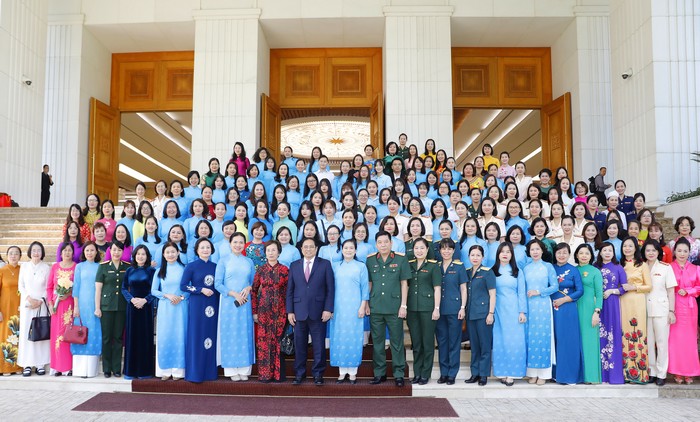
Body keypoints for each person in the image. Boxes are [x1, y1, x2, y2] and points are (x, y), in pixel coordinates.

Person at [286, 237, 335, 385]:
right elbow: (290, 290)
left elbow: (330, 289)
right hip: (298, 311)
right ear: (301, 249)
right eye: (305, 247)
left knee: (318, 345)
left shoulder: (325, 264)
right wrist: (290, 311)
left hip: (319, 312)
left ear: (316, 249)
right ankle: (299, 374)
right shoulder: (294, 265)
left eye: (311, 247)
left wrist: (328, 309)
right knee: (299, 345)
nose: (308, 249)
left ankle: (318, 374)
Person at [365, 231, 410, 387]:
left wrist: (403, 305)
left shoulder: (400, 259)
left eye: (386, 242)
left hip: (394, 308)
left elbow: (404, 283)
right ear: (376, 244)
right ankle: (379, 373)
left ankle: (399, 374)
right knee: (377, 342)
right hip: (376, 307)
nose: (383, 245)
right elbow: (369, 284)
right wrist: (367, 303)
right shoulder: (370, 260)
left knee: (397, 342)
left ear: (391, 243)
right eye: (380, 242)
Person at [215, 232, 256, 381]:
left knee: (245, 332)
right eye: (235, 242)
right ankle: (231, 369)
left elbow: (254, 281)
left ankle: (245, 369)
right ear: (230, 244)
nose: (238, 245)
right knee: (229, 332)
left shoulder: (249, 261)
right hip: (229, 302)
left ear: (244, 244)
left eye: (241, 242)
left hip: (245, 302)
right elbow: (217, 284)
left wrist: (249, 288)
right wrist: (233, 293)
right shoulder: (223, 261)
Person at [330, 239, 369, 384]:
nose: (348, 250)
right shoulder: (335, 266)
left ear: (355, 250)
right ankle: (342, 372)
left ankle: (353, 372)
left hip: (355, 307)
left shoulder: (361, 266)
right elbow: (330, 288)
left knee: (353, 337)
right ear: (342, 250)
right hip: (338, 307)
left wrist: (363, 306)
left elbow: (365, 288)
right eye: (345, 248)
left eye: (351, 248)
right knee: (339, 337)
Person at [180, 238, 219, 383]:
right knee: (197, 335)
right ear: (197, 250)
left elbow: (219, 285)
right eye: (202, 247)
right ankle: (195, 373)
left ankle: (209, 372)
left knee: (210, 335)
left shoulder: (216, 266)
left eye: (208, 247)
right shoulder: (191, 266)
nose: (205, 250)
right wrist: (200, 289)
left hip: (213, 304)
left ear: (212, 249)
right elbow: (183, 286)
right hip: (197, 304)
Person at [252, 240, 290, 383]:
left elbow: (289, 292)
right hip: (263, 311)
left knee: (277, 341)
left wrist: (289, 311)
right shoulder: (261, 270)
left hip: (281, 311)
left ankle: (278, 375)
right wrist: (255, 311)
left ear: (279, 252)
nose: (271, 253)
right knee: (264, 342)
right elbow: (254, 291)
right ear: (265, 253)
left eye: (274, 250)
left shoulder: (285, 270)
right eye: (268, 250)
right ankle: (265, 374)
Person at [523, 239, 558, 385]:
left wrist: (539, 291)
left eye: (537, 249)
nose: (535, 252)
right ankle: (531, 373)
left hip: (543, 305)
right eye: (532, 249)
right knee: (530, 338)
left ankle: (544, 374)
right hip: (529, 306)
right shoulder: (526, 268)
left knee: (543, 337)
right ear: (529, 252)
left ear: (542, 250)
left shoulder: (548, 266)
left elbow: (555, 286)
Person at [492, 242, 527, 387]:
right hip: (498, 310)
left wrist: (522, 311)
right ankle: (501, 372)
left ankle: (512, 373)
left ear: (512, 254)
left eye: (508, 251)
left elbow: (521, 293)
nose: (505, 254)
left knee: (515, 341)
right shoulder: (492, 271)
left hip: (514, 310)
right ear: (498, 254)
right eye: (502, 251)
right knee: (500, 341)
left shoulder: (518, 271)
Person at [151, 242, 188, 380]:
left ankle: (179, 371)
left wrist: (181, 297)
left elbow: (189, 288)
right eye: (167, 252)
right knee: (165, 337)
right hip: (165, 307)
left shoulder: (184, 269)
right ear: (163, 254)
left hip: (181, 307)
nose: (170, 254)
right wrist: (167, 295)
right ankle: (165, 371)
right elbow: (154, 290)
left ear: (178, 253)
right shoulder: (159, 271)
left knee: (180, 336)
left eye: (173, 252)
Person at [406, 238, 441, 385]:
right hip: (412, 308)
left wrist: (436, 308)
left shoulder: (433, 266)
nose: (419, 251)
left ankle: (425, 374)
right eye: (416, 248)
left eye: (422, 248)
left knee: (427, 342)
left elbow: (437, 288)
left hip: (428, 308)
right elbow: (405, 286)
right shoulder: (409, 265)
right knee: (416, 343)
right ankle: (417, 373)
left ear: (427, 250)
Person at [642, 239, 676, 386]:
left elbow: (671, 291)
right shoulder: (641, 267)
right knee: (648, 343)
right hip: (644, 310)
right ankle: (652, 372)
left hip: (661, 310)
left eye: (653, 250)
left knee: (661, 343)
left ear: (658, 252)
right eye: (648, 250)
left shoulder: (665, 268)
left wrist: (671, 311)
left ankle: (662, 373)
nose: (650, 253)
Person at [94, 241, 129, 378]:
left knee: (118, 338)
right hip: (106, 307)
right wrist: (97, 307)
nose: (116, 252)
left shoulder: (127, 267)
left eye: (119, 250)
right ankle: (107, 368)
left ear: (122, 252)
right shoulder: (103, 267)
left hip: (121, 306)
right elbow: (98, 289)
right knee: (107, 338)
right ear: (110, 250)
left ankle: (117, 368)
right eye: (114, 250)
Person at [620, 236, 652, 383]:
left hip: (638, 301)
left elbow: (649, 286)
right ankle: (625, 373)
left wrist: (634, 287)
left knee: (637, 333)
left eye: (630, 246)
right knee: (624, 334)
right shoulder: (619, 264)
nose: (627, 249)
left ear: (635, 248)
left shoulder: (642, 265)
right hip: (622, 301)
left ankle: (640, 373)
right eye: (625, 246)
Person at [668, 238, 700, 384]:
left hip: (690, 307)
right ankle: (677, 372)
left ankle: (689, 372)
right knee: (675, 340)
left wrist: (689, 291)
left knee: (689, 340)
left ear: (689, 252)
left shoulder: (696, 268)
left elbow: (699, 287)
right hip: (673, 305)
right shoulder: (668, 267)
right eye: (679, 250)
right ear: (674, 251)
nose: (682, 254)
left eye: (685, 251)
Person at [551, 243, 584, 384]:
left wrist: (564, 300)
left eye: (564, 252)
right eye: (559, 252)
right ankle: (554, 374)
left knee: (568, 340)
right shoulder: (550, 268)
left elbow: (580, 290)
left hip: (568, 308)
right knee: (554, 339)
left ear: (569, 254)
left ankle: (569, 376)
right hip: (551, 309)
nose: (561, 255)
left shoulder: (573, 270)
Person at [464, 244, 496, 386]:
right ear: (468, 257)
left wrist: (491, 313)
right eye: (472, 255)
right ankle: (475, 373)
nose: (475, 258)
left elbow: (492, 294)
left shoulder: (487, 272)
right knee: (474, 346)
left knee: (484, 345)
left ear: (483, 257)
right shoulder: (467, 272)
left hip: (483, 314)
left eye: (478, 255)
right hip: (471, 314)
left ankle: (483, 374)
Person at [122, 245, 156, 380]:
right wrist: (132, 300)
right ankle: (130, 371)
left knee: (145, 338)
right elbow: (124, 288)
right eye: (138, 254)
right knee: (132, 337)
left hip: (146, 308)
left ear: (147, 256)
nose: (140, 257)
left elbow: (155, 290)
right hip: (132, 307)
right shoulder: (129, 270)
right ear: (134, 256)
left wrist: (145, 300)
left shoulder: (151, 271)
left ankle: (144, 371)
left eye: (143, 254)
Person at [435, 239, 466, 385]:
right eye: (443, 248)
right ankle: (444, 373)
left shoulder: (459, 267)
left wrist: (463, 307)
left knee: (454, 341)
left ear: (454, 251)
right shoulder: (436, 266)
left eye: (449, 249)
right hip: (439, 310)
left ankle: (452, 373)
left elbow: (463, 289)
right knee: (442, 341)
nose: (446, 251)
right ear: (440, 250)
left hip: (454, 309)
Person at [17, 242, 51, 376]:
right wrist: (29, 299)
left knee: (40, 332)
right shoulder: (24, 267)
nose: (36, 253)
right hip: (27, 304)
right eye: (34, 250)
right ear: (30, 252)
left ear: (42, 253)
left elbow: (48, 287)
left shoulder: (46, 268)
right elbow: (21, 285)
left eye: (38, 250)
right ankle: (27, 364)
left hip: (41, 304)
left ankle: (40, 364)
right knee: (27, 332)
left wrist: (40, 300)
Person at [595, 242, 627, 384]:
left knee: (612, 334)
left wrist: (611, 291)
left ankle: (613, 375)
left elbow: (625, 287)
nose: (607, 253)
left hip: (612, 303)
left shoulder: (618, 267)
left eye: (610, 250)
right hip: (597, 304)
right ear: (600, 252)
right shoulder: (595, 267)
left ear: (614, 253)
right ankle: (600, 374)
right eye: (604, 250)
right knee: (598, 335)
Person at [71, 242, 102, 378]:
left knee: (93, 333)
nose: (89, 253)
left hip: (95, 305)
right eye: (87, 250)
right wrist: (76, 306)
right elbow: (76, 287)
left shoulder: (100, 267)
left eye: (92, 250)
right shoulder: (79, 267)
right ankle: (79, 370)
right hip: (82, 305)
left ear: (96, 252)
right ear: (83, 252)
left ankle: (91, 370)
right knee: (80, 332)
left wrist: (99, 307)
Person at [574, 244, 603, 384]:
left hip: (589, 309)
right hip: (574, 308)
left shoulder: (595, 271)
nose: (584, 256)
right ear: (576, 255)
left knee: (589, 342)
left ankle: (590, 376)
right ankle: (577, 375)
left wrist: (597, 311)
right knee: (576, 342)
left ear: (591, 256)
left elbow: (599, 293)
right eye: (581, 253)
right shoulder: (573, 270)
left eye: (587, 253)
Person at [47, 243, 76, 376]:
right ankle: (57, 367)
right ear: (61, 253)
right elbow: (49, 287)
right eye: (65, 250)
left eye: (69, 250)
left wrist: (69, 294)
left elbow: (78, 286)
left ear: (73, 253)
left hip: (69, 306)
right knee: (56, 336)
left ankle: (68, 367)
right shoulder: (54, 267)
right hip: (56, 307)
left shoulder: (76, 267)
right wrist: (50, 304)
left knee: (67, 334)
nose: (67, 253)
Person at [0, 246, 22, 375]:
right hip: (5, 309)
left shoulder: (23, 270)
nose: (13, 256)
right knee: (5, 336)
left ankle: (17, 367)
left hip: (19, 309)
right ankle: (6, 367)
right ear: (7, 256)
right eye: (11, 253)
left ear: (20, 256)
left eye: (16, 253)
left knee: (18, 335)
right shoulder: (2, 271)